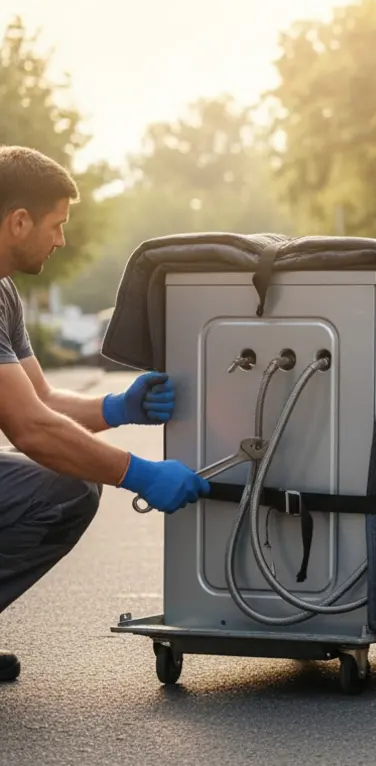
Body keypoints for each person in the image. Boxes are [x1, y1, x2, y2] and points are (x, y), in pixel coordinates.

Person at [0, 145, 210, 682]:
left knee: (65, 482)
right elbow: (29, 430)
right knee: (66, 488)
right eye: (56, 224)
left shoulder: (4, 293)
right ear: (18, 221)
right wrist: (136, 473)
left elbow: (40, 401)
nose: (62, 239)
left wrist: (119, 407)